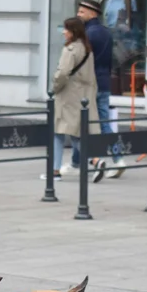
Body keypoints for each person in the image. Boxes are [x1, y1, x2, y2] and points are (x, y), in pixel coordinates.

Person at [46, 18, 99, 179]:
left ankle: (55, 171)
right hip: (82, 95)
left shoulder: (70, 50)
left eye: (66, 29)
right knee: (74, 133)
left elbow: (62, 73)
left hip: (68, 95)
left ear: (73, 31)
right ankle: (95, 161)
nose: (63, 32)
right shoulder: (87, 49)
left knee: (59, 131)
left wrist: (54, 87)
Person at [73, 0, 115, 172]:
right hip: (104, 82)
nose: (78, 14)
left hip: (90, 84)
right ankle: (117, 158)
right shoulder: (106, 32)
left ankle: (100, 160)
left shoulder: (88, 34)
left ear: (93, 13)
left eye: (82, 12)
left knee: (80, 123)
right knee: (103, 122)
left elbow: (82, 61)